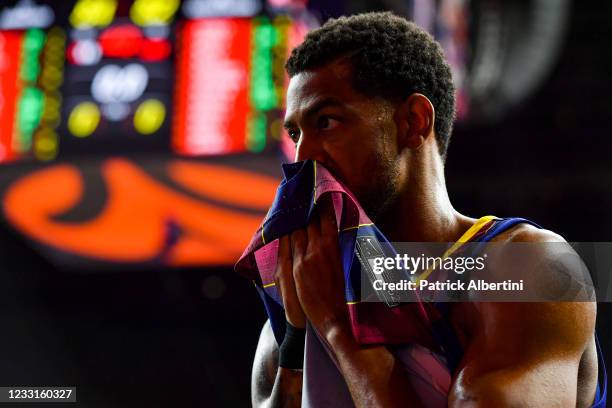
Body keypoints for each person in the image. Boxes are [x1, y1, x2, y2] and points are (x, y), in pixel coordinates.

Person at [250, 11, 600, 407]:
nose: (303, 158)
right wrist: (296, 344)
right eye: (295, 134)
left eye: (326, 122)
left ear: (413, 122)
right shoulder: (297, 311)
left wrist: (341, 331)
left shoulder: (527, 267)